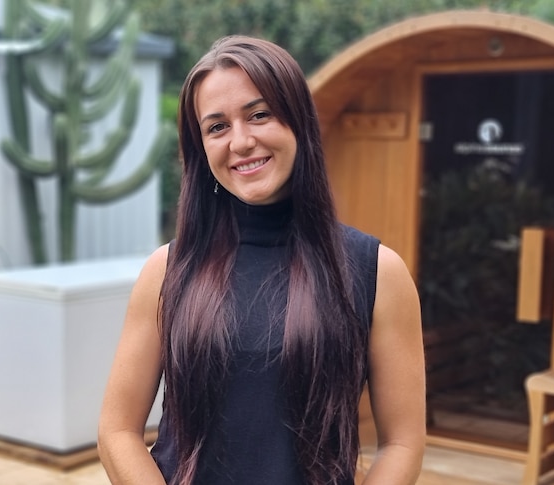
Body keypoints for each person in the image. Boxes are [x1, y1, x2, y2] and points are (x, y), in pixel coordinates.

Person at [97, 35, 425, 484]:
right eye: (216, 127)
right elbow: (117, 431)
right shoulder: (168, 270)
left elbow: (402, 443)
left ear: (298, 123)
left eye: (259, 114)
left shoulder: (377, 272)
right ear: (201, 149)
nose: (241, 141)